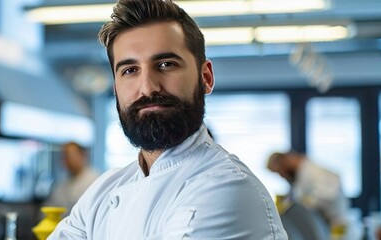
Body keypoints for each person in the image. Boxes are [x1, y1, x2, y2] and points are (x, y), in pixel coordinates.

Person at [50, 0, 287, 238]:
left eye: (165, 64)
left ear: (206, 77)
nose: (147, 88)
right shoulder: (103, 191)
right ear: (115, 88)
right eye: (130, 70)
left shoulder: (226, 187)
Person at [267, 151, 351, 235]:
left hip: (338, 229)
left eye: (280, 171)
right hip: (324, 227)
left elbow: (329, 197)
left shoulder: (318, 173)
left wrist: (303, 201)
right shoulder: (300, 178)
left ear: (287, 161)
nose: (282, 175)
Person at [45, 142, 100, 212]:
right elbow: (50, 206)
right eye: (63, 156)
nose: (65, 160)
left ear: (83, 156)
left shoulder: (95, 180)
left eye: (68, 155)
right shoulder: (61, 184)